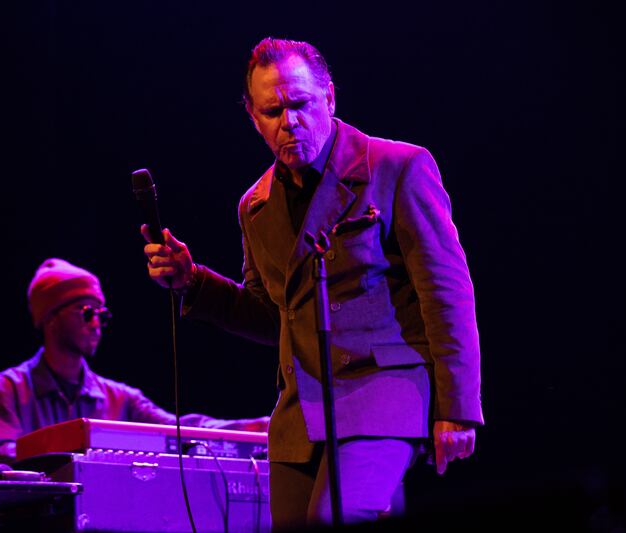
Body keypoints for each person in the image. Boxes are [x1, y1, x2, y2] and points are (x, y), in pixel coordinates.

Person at [142, 37, 483, 529]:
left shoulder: (394, 167)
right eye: (273, 110)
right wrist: (192, 282)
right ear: (253, 117)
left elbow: (446, 291)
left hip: (382, 394)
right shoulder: (254, 206)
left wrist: (458, 406)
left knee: (333, 519)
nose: (290, 121)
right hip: (301, 413)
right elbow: (272, 315)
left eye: (300, 104)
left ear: (328, 98)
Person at [0, 258, 268, 465]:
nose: (97, 325)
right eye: (87, 312)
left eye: (102, 316)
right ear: (50, 319)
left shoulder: (121, 398)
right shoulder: (5, 390)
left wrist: (248, 428)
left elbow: (178, 429)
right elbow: (3, 459)